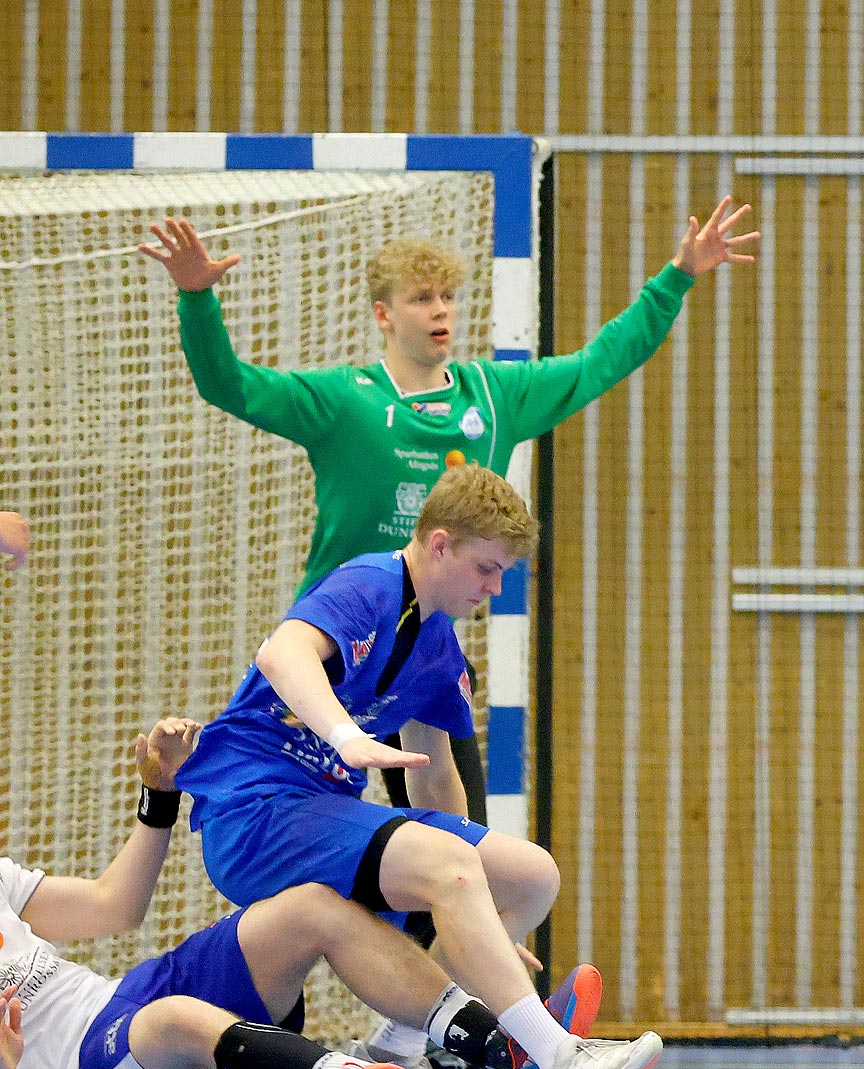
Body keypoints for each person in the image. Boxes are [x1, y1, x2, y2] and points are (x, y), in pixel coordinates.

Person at [140, 197, 759, 827]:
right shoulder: (341, 402)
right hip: (335, 650)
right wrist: (197, 298)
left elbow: (601, 363)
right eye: (421, 298)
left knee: (460, 837)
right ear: (383, 314)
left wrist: (676, 276)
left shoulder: (495, 397)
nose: (440, 310)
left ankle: (455, 926)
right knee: (303, 838)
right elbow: (229, 385)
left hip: (423, 656)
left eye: (447, 296)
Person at [171, 464, 659, 1069]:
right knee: (452, 866)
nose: (496, 585)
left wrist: (474, 905)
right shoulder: (369, 582)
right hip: (252, 811)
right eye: (487, 567)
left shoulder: (437, 645)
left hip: (317, 816)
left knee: (530, 875)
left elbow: (434, 776)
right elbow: (281, 655)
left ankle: (394, 1048)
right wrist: (345, 736)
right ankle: (561, 1061)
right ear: (438, 544)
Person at [0, 718, 495, 1069]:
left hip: (122, 997)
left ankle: (501, 1044)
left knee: (309, 907)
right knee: (178, 1019)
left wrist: (160, 794)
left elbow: (116, 906)